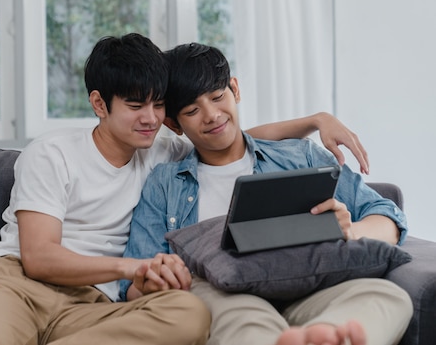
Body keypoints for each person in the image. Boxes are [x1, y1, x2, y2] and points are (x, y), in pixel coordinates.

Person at [0, 33, 373, 345]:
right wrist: (131, 268)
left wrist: (316, 121)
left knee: (189, 313)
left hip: (94, 307)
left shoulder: (160, 151)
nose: (149, 118)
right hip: (16, 284)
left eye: (158, 104)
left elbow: (229, 136)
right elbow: (38, 258)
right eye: (135, 106)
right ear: (99, 104)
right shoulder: (52, 153)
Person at [120, 42, 412, 345]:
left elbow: (389, 216)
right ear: (173, 124)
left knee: (386, 296)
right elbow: (132, 285)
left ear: (235, 89)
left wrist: (350, 230)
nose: (212, 115)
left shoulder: (301, 157)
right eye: (192, 110)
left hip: (311, 287)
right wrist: (153, 279)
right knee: (238, 315)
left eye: (218, 97)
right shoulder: (165, 183)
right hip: (226, 294)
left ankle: (328, 335)